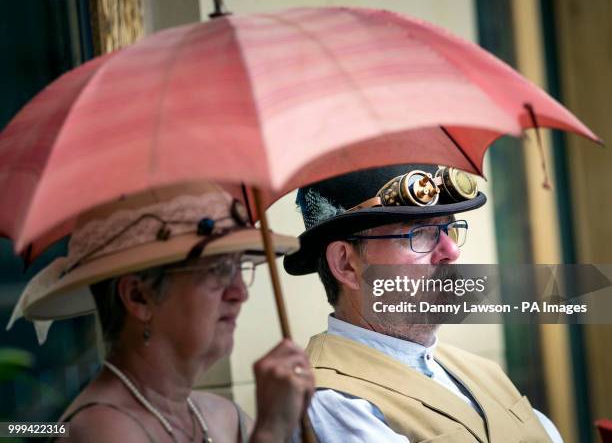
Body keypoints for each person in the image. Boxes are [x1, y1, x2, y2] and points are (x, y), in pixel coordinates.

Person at [9, 182, 314, 443]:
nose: (240, 292)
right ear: (138, 296)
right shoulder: (98, 429)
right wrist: (271, 432)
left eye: (238, 267)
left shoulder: (222, 417)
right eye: (219, 269)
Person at [284, 165, 563, 442]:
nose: (452, 251)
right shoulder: (333, 399)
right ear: (346, 264)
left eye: (449, 229)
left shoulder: (482, 369)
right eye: (418, 233)